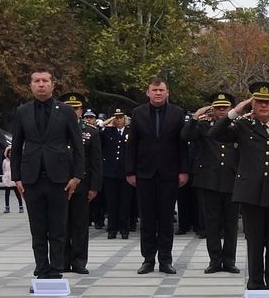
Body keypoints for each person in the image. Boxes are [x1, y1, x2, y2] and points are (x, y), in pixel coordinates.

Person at [209, 83, 269, 296]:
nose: (263, 106)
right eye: (259, 102)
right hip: (251, 195)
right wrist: (236, 110)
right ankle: (256, 287)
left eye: (268, 102)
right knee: (255, 244)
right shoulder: (243, 126)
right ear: (253, 103)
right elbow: (215, 133)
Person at [9, 67, 86, 283]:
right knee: (37, 227)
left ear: (52, 84)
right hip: (32, 177)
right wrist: (17, 177)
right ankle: (41, 266)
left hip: (60, 177)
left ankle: (56, 266)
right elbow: (16, 146)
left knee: (58, 227)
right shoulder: (22, 111)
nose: (41, 84)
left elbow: (78, 145)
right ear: (31, 85)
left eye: (45, 80)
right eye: (36, 81)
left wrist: (76, 176)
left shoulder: (66, 111)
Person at [126, 78, 188, 275]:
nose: (158, 93)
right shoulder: (138, 113)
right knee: (147, 218)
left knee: (166, 217)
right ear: (148, 92)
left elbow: (182, 145)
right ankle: (148, 259)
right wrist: (130, 171)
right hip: (144, 172)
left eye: (161, 90)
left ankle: (166, 260)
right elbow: (132, 144)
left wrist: (184, 170)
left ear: (167, 92)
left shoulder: (178, 113)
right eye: (154, 90)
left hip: (169, 173)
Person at [184, 92, 240, 274]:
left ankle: (229, 260)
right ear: (212, 109)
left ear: (230, 109)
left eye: (225, 107)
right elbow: (185, 136)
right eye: (218, 108)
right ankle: (215, 260)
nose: (222, 111)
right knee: (212, 223)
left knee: (231, 224)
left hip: (232, 181)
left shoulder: (237, 126)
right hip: (208, 181)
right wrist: (194, 117)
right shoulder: (203, 125)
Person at [63, 94, 101, 276]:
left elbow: (95, 162)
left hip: (82, 185)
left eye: (76, 108)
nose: (72, 112)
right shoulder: (54, 130)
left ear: (81, 111)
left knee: (79, 225)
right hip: (59, 184)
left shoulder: (90, 132)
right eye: (68, 108)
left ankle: (79, 261)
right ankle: (61, 260)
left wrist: (94, 187)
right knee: (59, 225)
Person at [100, 108, 131, 239]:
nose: (119, 120)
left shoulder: (130, 132)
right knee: (112, 203)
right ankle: (112, 229)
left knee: (125, 202)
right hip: (110, 172)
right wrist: (109, 122)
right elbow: (98, 129)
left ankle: (124, 229)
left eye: (121, 117)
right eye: (116, 118)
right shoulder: (108, 132)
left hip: (125, 172)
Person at [0, 147, 23, 214]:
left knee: (17, 193)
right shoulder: (5, 161)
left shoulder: (15, 160)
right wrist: (4, 176)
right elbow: (3, 169)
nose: (10, 154)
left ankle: (21, 206)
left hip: (13, 177)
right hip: (7, 178)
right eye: (9, 153)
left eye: (11, 153)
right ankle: (7, 207)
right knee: (7, 193)